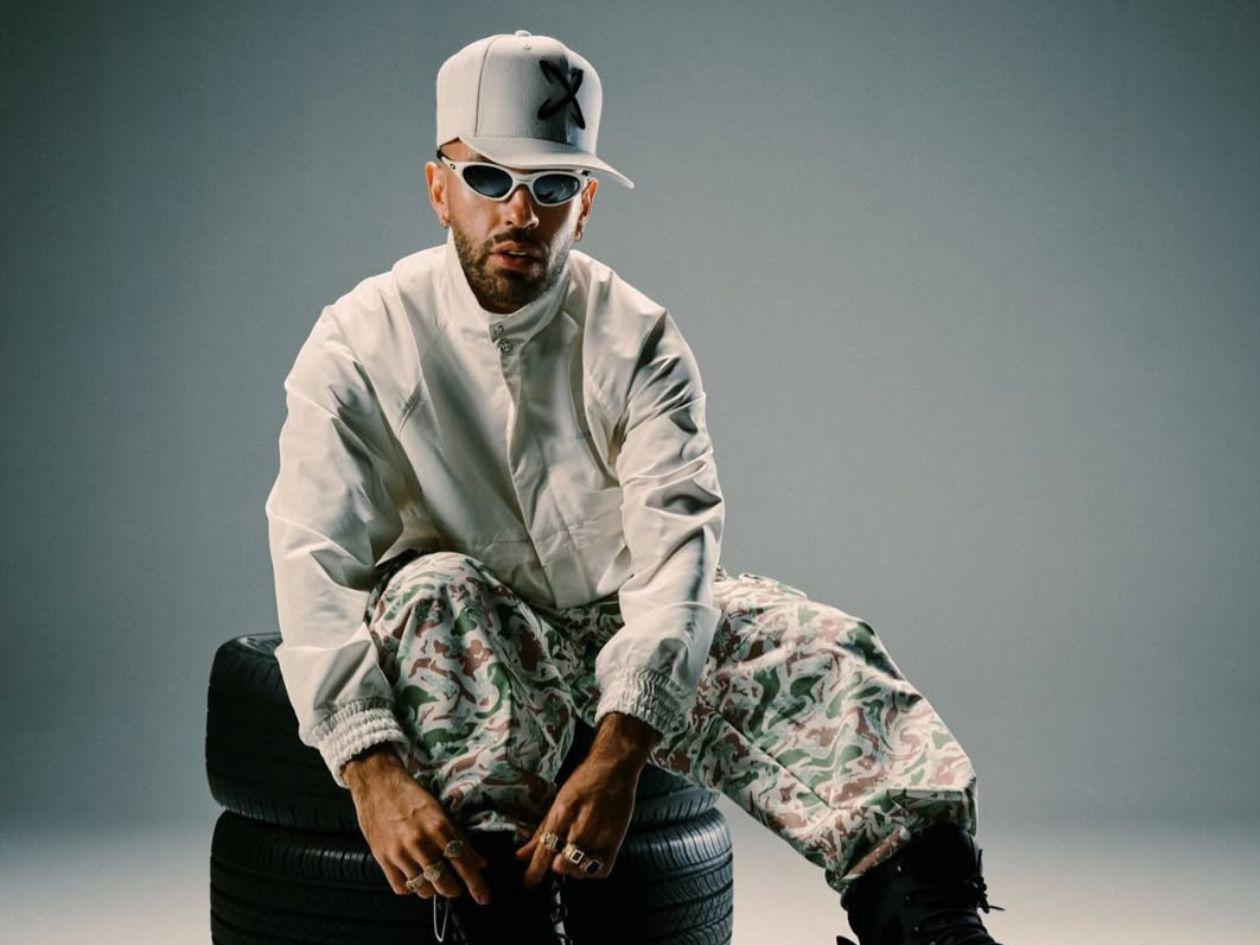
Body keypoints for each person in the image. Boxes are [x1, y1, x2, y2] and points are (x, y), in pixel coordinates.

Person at [264, 30, 1007, 945]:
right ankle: (503, 918)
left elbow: (676, 557)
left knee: (809, 642)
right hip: (463, 628)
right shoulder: (356, 341)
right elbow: (312, 558)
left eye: (553, 187)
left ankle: (929, 924)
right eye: (489, 178)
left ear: (586, 205)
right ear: (438, 189)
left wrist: (622, 750)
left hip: (614, 623)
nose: (519, 214)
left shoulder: (640, 339)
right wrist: (368, 766)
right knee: (431, 592)